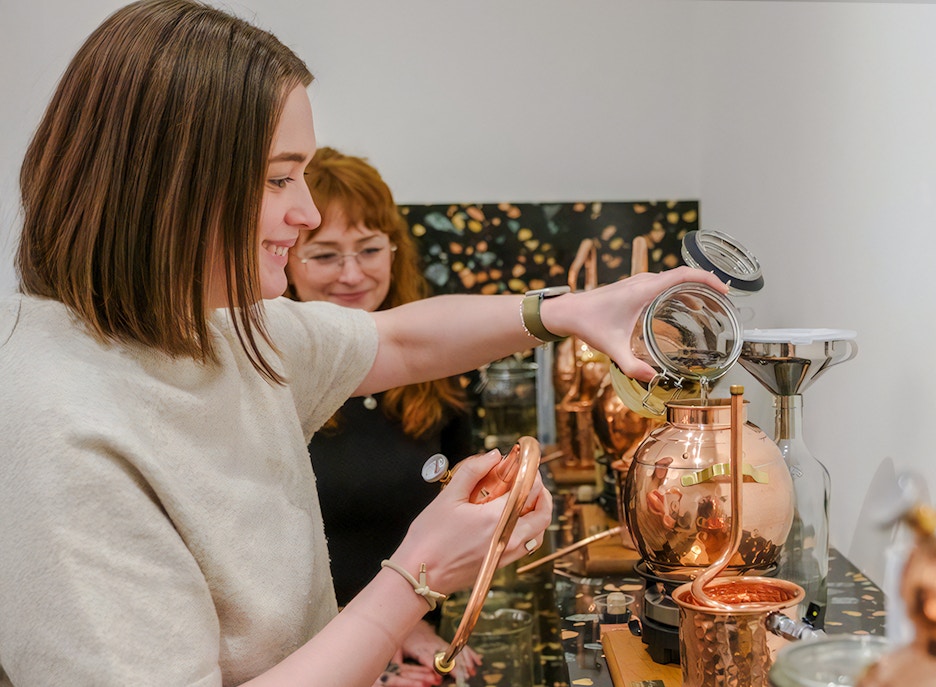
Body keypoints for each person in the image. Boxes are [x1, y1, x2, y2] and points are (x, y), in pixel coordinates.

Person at [0, 1, 726, 686]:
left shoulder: (206, 327)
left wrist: (570, 310)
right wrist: (419, 575)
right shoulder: (57, 426)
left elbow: (400, 342)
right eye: (281, 178)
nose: (305, 211)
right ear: (170, 184)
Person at [286, 147, 478, 685]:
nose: (352, 274)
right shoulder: (269, 381)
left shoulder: (440, 370)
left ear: (395, 250)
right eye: (324, 255)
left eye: (369, 249)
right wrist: (373, 650)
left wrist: (408, 627)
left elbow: (455, 514)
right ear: (283, 260)